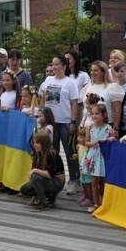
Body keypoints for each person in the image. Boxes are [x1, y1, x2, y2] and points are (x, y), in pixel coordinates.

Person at [38, 56, 79, 194]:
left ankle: (73, 180)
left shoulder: (70, 83)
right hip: (50, 122)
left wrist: (73, 122)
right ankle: (54, 178)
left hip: (65, 121)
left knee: (69, 151)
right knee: (51, 151)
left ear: (64, 66)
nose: (54, 67)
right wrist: (41, 116)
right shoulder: (48, 80)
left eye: (57, 64)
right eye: (53, 64)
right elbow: (43, 100)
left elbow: (74, 104)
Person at [20, 132, 66, 212]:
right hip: (48, 181)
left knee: (35, 176)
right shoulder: (39, 155)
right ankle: (49, 196)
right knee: (25, 189)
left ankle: (44, 202)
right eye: (34, 143)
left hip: (57, 182)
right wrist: (34, 195)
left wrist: (34, 170)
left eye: (37, 143)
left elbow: (49, 174)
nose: (35, 145)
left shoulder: (52, 154)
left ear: (44, 143)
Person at [81, 104, 113, 213]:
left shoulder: (109, 128)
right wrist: (92, 142)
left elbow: (113, 141)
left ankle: (103, 200)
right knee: (94, 181)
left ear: (104, 115)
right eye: (93, 113)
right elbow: (86, 142)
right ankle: (95, 203)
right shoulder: (90, 127)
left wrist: (110, 140)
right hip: (93, 156)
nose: (94, 116)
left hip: (103, 156)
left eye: (97, 113)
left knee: (103, 180)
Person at [80, 61, 123, 133]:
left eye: (95, 70)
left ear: (103, 73)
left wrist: (115, 128)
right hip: (87, 124)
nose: (92, 73)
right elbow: (83, 108)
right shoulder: (88, 86)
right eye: (91, 70)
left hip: (105, 126)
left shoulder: (112, 87)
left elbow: (118, 109)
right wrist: (80, 125)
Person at [111, 61, 126, 138]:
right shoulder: (113, 87)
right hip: (117, 120)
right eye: (117, 71)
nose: (119, 73)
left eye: (122, 71)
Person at [74, 128, 93, 207]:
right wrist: (76, 155)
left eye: (82, 137)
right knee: (83, 183)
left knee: (88, 183)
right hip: (81, 168)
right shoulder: (80, 146)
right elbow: (80, 155)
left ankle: (89, 198)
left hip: (87, 169)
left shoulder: (88, 148)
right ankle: (85, 196)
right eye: (78, 136)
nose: (79, 138)